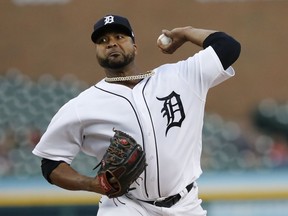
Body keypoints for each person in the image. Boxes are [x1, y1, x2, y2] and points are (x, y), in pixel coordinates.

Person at [32, 14, 241, 216]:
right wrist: (91, 184)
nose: (111, 43)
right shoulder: (82, 106)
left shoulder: (179, 77)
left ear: (135, 46)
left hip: (186, 205)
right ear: (97, 52)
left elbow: (229, 47)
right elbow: (51, 163)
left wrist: (186, 33)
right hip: (126, 206)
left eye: (119, 37)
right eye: (103, 40)